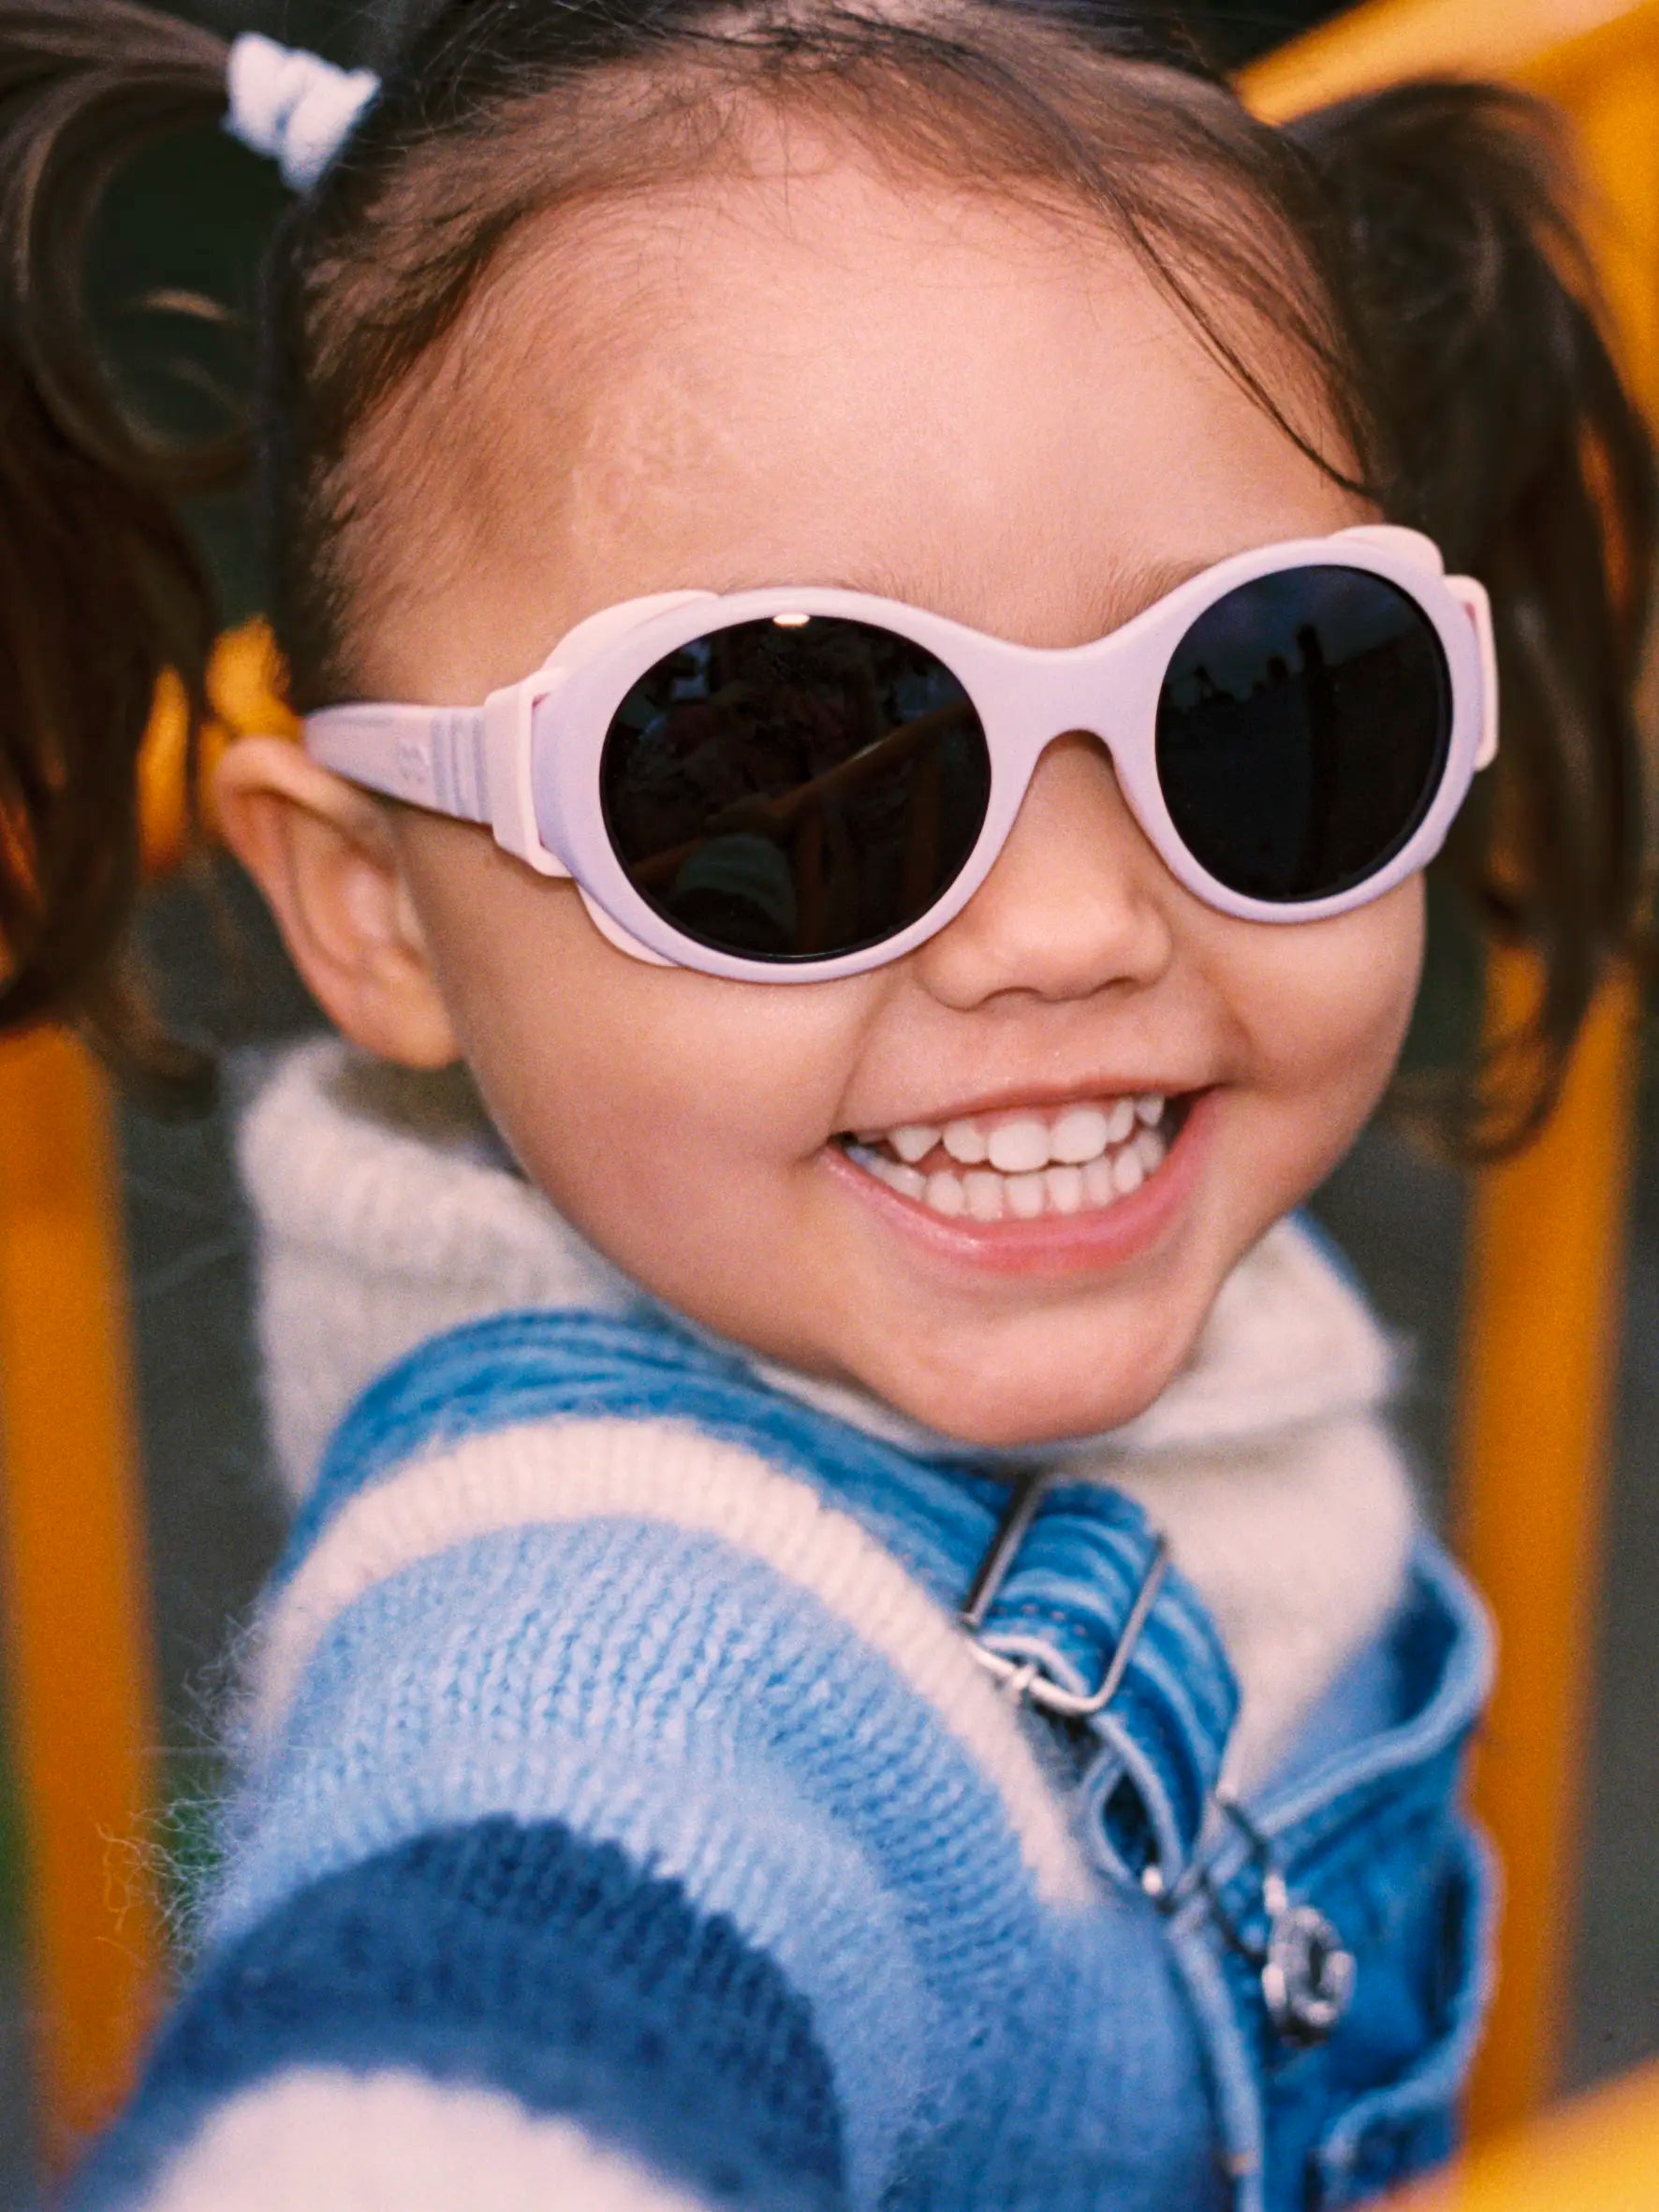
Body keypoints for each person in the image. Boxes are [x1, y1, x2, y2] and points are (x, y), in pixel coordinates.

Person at [6, 2, 1652, 2206]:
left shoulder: (961, 1214)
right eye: (788, 772)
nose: (1068, 929)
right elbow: (485, 2018)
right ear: (373, 905)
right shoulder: (597, 1637)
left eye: (1261, 705)